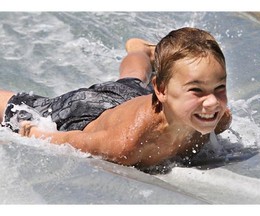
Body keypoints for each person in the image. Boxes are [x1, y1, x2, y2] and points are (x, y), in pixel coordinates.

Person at [0, 27, 232, 168]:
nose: (212, 102)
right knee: (16, 107)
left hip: (132, 98)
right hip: (87, 111)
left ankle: (140, 51)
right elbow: (75, 141)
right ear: (160, 91)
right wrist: (38, 134)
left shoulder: (216, 118)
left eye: (219, 87)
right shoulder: (126, 144)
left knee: (131, 80)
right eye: (197, 90)